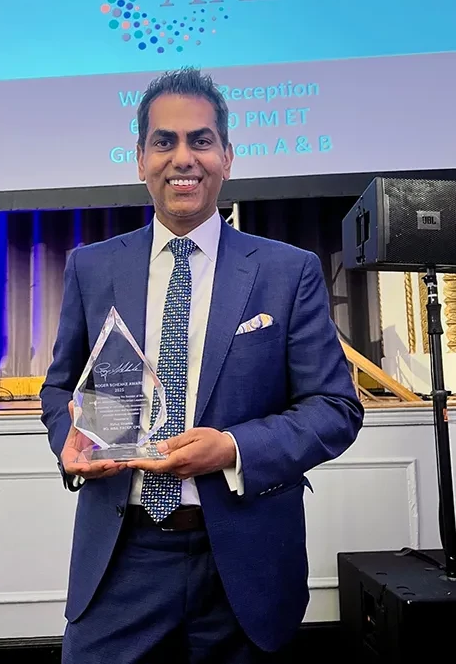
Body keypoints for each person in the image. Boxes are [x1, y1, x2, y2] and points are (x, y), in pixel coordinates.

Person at [40, 67, 363, 664]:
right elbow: (60, 388)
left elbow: (335, 409)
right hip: (120, 557)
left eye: (201, 140)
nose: (182, 158)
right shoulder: (93, 268)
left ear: (227, 157)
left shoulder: (287, 272)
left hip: (242, 564)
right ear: (140, 159)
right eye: (164, 141)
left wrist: (233, 449)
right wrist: (73, 438)